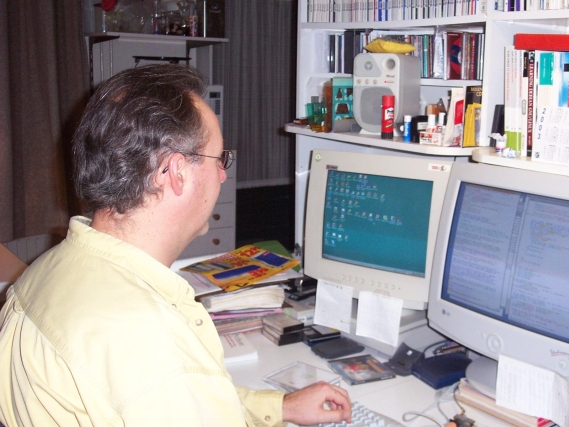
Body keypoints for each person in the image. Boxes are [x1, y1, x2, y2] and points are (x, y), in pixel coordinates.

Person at [0, 64, 352, 427]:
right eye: (220, 159)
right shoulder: (147, 337)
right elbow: (161, 384)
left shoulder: (48, 270)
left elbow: (169, 400)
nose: (223, 175)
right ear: (177, 172)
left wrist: (279, 409)